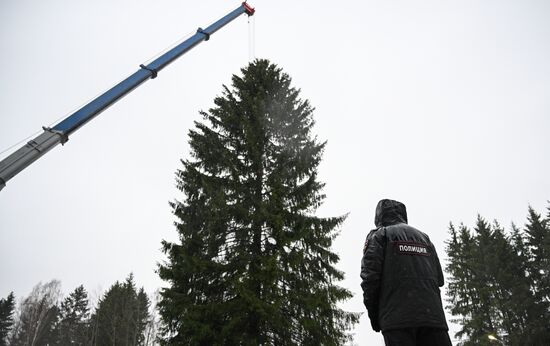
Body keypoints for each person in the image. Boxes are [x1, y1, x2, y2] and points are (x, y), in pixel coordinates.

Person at [360, 199, 452, 346]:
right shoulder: (424, 238)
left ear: (379, 216)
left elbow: (370, 280)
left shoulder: (379, 235)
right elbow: (439, 279)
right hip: (434, 321)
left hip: (397, 322)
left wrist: (375, 318)